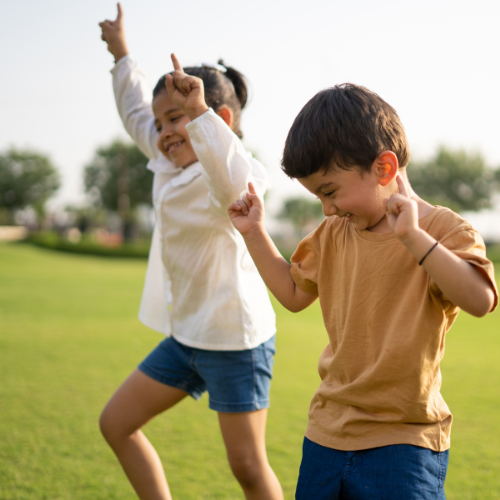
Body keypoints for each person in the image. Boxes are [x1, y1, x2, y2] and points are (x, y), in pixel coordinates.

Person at [228, 83, 498, 499]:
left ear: (384, 169)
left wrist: (413, 237)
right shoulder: (335, 232)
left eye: (330, 191)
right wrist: (254, 233)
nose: (327, 208)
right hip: (327, 433)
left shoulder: (443, 231)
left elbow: (480, 300)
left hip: (404, 442)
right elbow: (293, 294)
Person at [98, 5, 283, 500]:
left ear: (216, 119)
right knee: (115, 423)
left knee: (246, 465)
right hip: (187, 337)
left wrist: (197, 115)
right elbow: (137, 112)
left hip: (235, 341)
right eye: (162, 124)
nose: (163, 133)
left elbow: (236, 180)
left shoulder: (224, 174)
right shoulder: (166, 160)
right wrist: (122, 55)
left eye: (175, 118)